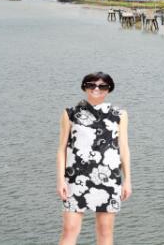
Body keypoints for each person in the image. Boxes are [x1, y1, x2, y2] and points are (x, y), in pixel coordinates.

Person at [56, 72, 132, 245]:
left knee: (105, 231)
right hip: (76, 178)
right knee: (69, 230)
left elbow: (124, 149)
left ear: (109, 90)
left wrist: (127, 181)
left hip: (109, 178)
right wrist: (60, 180)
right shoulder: (70, 114)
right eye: (92, 85)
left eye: (102, 86)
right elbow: (61, 150)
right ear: (84, 87)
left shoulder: (119, 114)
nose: (96, 89)